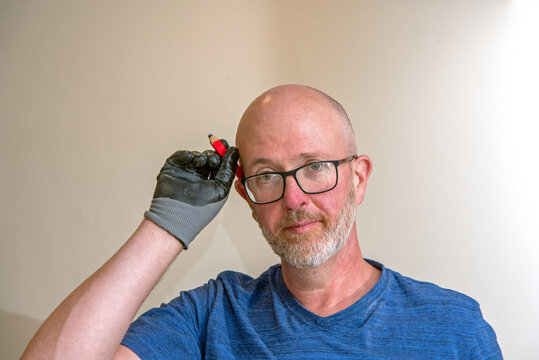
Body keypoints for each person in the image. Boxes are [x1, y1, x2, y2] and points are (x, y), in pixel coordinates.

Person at [22, 85, 502, 359]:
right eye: (268, 175)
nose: (293, 198)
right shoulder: (213, 316)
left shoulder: (454, 326)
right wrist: (168, 223)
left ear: (358, 178)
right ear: (247, 196)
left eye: (314, 166)